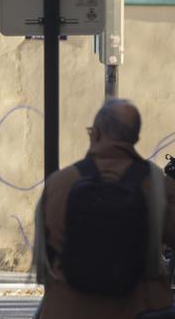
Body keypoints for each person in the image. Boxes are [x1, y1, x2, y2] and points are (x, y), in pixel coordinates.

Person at [33, 99, 175, 319]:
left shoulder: (60, 183)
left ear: (95, 134)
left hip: (68, 308)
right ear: (135, 138)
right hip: (140, 307)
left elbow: (46, 254)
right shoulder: (157, 184)